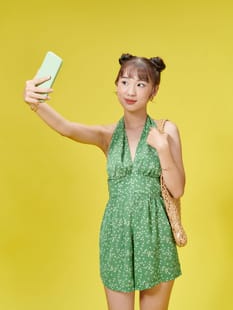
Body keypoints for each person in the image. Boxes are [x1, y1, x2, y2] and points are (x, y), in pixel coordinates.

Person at [24, 53, 185, 310]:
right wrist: (35, 103)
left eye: (141, 84)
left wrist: (163, 149)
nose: (131, 90)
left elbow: (177, 189)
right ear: (117, 85)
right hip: (116, 234)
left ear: (154, 91)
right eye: (124, 82)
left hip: (154, 235)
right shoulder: (107, 135)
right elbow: (67, 127)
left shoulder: (166, 131)